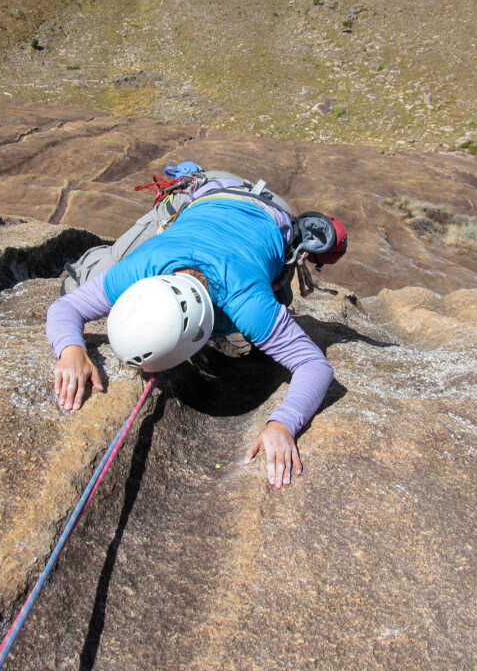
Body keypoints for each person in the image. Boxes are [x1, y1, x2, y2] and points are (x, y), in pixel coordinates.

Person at [45, 165, 346, 489]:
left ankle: (324, 234)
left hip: (269, 212)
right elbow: (67, 307)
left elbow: (313, 365)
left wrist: (284, 423)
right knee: (85, 279)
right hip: (208, 195)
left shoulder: (247, 302)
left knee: (301, 272)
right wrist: (70, 349)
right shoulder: (139, 268)